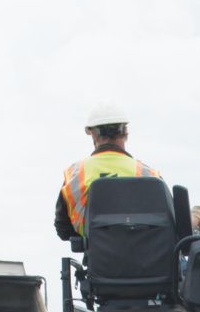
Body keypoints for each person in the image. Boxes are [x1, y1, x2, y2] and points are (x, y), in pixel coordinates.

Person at [54, 102, 159, 245]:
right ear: (125, 132)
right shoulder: (149, 174)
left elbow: (63, 229)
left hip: (97, 263)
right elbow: (166, 224)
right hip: (148, 262)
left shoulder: (75, 174)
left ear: (93, 134)